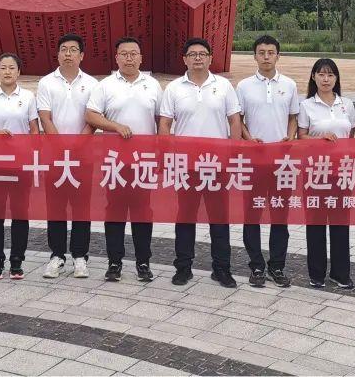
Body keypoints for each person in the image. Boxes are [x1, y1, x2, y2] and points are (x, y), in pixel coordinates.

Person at [159, 38, 242, 288]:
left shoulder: (223, 86)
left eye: (202, 54)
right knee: (185, 217)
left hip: (217, 166)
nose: (198, 58)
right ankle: (183, 268)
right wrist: (169, 156)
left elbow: (234, 121)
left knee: (219, 219)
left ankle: (222, 269)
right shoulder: (174, 88)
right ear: (184, 59)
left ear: (210, 58)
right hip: (186, 166)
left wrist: (233, 154)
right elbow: (165, 124)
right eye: (192, 54)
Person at [86, 36, 162, 282]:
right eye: (124, 54)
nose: (129, 58)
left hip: (144, 162)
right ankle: (114, 262)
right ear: (116, 57)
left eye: (133, 54)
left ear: (141, 57)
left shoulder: (153, 85)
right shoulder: (105, 85)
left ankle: (143, 262)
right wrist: (115, 126)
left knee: (143, 212)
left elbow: (162, 120)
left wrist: (161, 153)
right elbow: (91, 115)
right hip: (114, 162)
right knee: (114, 212)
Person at [234, 34, 299, 288]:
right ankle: (257, 265)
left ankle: (277, 265)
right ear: (254, 56)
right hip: (254, 160)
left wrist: (290, 137)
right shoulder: (244, 86)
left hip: (283, 162)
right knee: (252, 214)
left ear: (278, 56)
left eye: (271, 52)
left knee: (280, 215)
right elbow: (238, 119)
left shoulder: (289, 85)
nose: (266, 57)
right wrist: (249, 139)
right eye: (261, 53)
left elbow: (293, 117)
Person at [37, 33, 98, 279]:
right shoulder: (46, 82)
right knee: (56, 207)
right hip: (54, 155)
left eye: (73, 49)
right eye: (64, 49)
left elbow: (93, 118)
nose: (68, 53)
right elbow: (45, 117)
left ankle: (80, 256)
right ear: (58, 54)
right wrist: (61, 146)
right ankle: (57, 255)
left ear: (81, 55)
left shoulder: (92, 83)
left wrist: (77, 145)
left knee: (82, 207)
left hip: (83, 155)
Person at [0, 53, 39, 280]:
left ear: (19, 72)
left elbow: (34, 129)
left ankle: (17, 261)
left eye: (12, 67)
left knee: (20, 213)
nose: (8, 71)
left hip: (20, 164)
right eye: (3, 67)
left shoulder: (28, 96)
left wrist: (31, 152)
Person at [297, 58, 355, 289]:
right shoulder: (306, 105)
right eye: (321, 74)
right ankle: (317, 273)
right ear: (313, 77)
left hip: (342, 172)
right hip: (315, 172)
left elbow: (352, 135)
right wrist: (320, 139)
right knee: (315, 224)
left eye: (330, 75)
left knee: (341, 224)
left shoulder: (347, 104)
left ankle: (340, 273)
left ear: (336, 78)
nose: (326, 79)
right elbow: (300, 136)